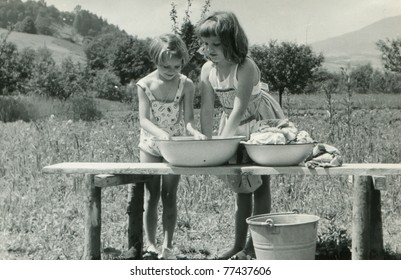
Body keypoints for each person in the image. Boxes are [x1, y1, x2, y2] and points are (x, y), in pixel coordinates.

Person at [196, 11, 285, 259]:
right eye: (205, 44)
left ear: (232, 42)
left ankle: (255, 246)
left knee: (260, 181)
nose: (210, 50)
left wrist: (222, 145)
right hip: (231, 125)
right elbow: (206, 108)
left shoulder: (246, 66)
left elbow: (239, 108)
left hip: (257, 123)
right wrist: (208, 142)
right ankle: (238, 245)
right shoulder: (207, 70)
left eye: (216, 44)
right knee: (240, 186)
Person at [136, 33, 206, 260]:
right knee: (151, 195)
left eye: (177, 66)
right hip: (150, 144)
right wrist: (161, 134)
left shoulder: (186, 84)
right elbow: (144, 120)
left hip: (174, 145)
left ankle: (168, 245)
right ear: (155, 60)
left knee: (169, 194)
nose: (171, 70)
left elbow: (188, 120)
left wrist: (194, 132)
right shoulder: (145, 84)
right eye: (165, 65)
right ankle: (150, 245)